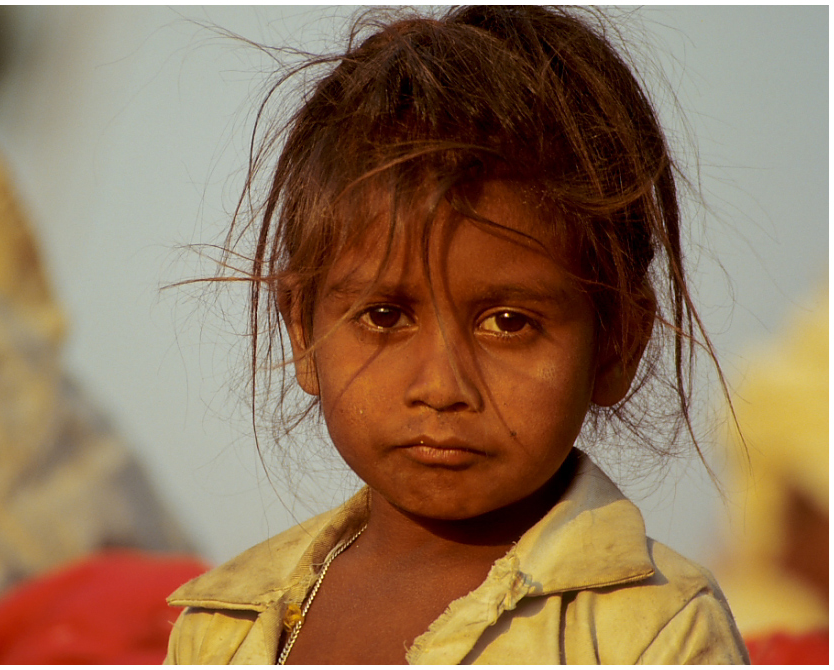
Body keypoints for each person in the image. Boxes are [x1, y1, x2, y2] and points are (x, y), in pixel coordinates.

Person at [165, 6, 749, 664]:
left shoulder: (653, 630)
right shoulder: (224, 625)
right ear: (303, 331)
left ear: (616, 344)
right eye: (385, 316)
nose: (442, 388)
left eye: (509, 323)